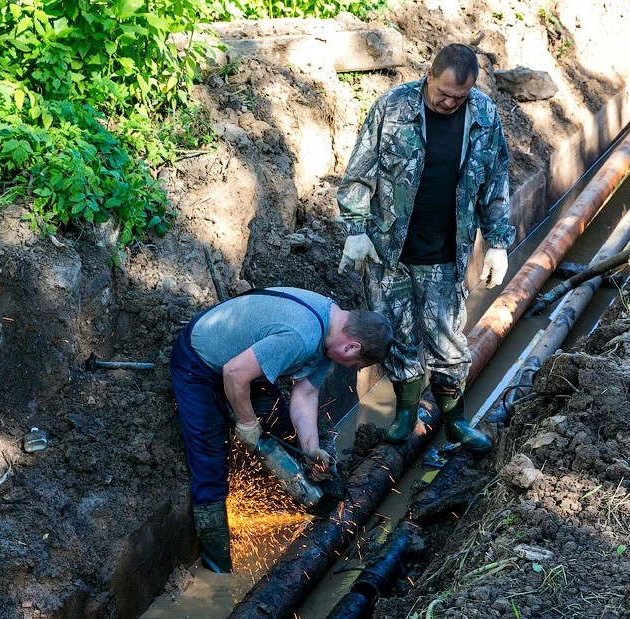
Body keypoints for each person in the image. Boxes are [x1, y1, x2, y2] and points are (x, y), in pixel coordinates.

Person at [336, 43, 516, 454]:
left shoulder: (485, 116)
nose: (450, 102)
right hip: (388, 254)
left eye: (460, 96)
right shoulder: (393, 107)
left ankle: (455, 423)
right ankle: (406, 413)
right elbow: (358, 173)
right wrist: (357, 229)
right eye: (444, 92)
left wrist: (497, 244)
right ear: (429, 75)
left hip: (444, 255)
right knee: (394, 339)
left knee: (449, 345)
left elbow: (496, 184)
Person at [170, 287, 393, 573]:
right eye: (356, 365)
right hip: (199, 362)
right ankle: (218, 567)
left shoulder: (331, 329)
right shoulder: (300, 338)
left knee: (286, 432)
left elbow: (306, 395)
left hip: (244, 361)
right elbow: (234, 374)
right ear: (352, 347)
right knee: (210, 459)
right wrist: (248, 423)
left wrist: (311, 449)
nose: (352, 368)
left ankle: (296, 506)